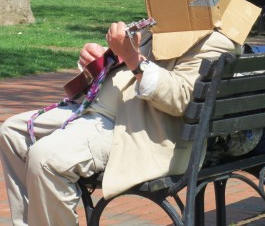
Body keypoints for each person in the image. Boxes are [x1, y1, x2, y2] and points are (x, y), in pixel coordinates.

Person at [0, 18, 242, 225]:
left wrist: (133, 58)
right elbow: (126, 67)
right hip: (100, 111)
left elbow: (182, 99)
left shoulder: (216, 40)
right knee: (12, 131)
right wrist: (100, 61)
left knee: (46, 158)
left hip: (137, 128)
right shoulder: (163, 23)